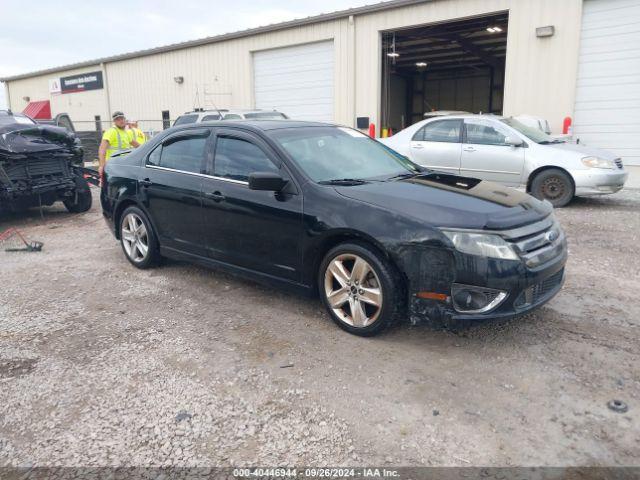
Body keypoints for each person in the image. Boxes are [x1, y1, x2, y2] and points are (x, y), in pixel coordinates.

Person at [98, 111, 139, 178]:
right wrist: (101, 166)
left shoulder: (126, 133)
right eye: (118, 119)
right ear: (114, 122)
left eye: (122, 118)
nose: (121, 121)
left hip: (124, 165)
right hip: (113, 166)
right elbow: (102, 149)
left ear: (125, 119)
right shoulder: (111, 131)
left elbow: (138, 146)